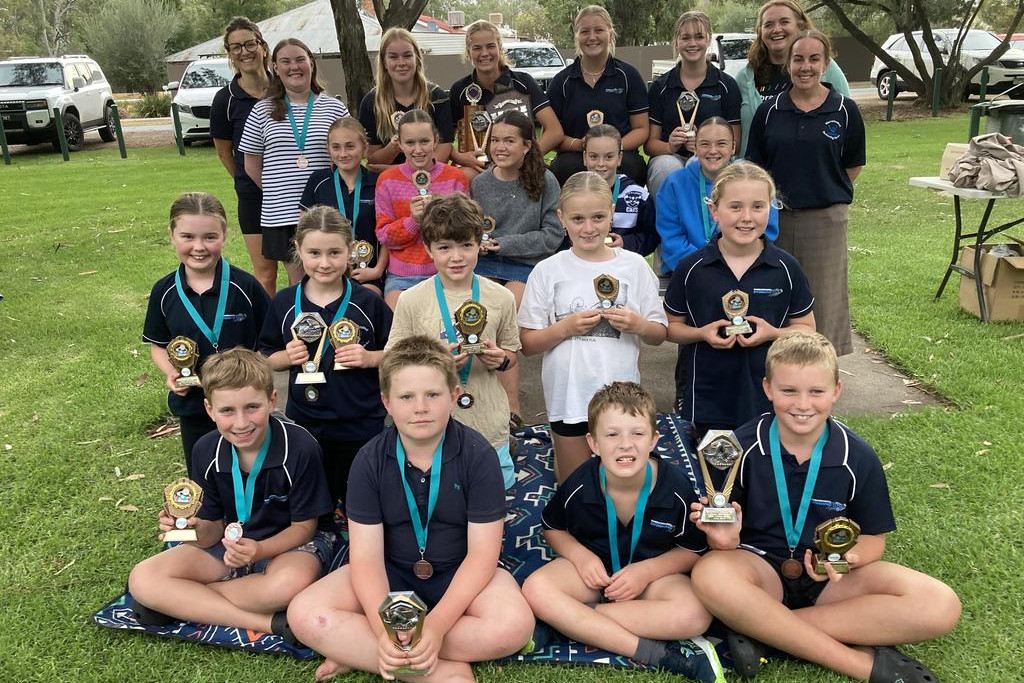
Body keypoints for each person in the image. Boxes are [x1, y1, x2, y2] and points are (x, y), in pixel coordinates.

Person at [690, 331, 961, 682]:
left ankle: (764, 632)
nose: (803, 404)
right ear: (768, 388)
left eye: (816, 392)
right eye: (789, 391)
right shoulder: (736, 448)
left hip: (830, 580)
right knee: (710, 574)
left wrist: (847, 559)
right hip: (759, 573)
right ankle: (862, 665)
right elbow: (721, 523)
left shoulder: (857, 457)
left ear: (836, 390)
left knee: (940, 604)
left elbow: (874, 540)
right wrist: (724, 541)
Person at [286, 336, 535, 682]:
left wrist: (437, 626)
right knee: (305, 614)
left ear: (453, 395)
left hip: (459, 572)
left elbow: (482, 556)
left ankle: (360, 650)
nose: (420, 408)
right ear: (386, 402)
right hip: (392, 572)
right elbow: (366, 559)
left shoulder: (479, 456)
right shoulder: (368, 460)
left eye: (432, 395)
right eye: (406, 397)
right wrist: (383, 630)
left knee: (514, 626)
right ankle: (438, 669)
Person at [522, 382, 724, 683]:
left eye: (637, 433)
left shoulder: (676, 488)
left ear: (654, 440)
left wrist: (646, 571)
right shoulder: (580, 483)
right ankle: (655, 654)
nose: (625, 444)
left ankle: (566, 622)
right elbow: (552, 528)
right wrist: (580, 557)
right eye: (612, 434)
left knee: (694, 614)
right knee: (536, 589)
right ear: (593, 444)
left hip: (652, 579)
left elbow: (693, 549)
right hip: (593, 575)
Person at [128, 348, 336, 641]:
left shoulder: (301, 447)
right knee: (143, 578)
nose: (241, 423)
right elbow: (213, 529)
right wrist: (191, 528)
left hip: (289, 545)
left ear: (272, 400)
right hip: (229, 544)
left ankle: (185, 600)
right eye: (227, 411)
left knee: (288, 586)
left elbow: (304, 528)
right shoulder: (205, 450)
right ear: (209, 409)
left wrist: (259, 550)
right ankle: (268, 623)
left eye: (252, 407)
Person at [519, 171, 667, 484]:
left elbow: (658, 334)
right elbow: (528, 344)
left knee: (620, 482)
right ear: (561, 218)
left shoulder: (634, 266)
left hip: (622, 398)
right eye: (578, 219)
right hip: (569, 396)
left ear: (612, 213)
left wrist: (638, 324)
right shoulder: (547, 270)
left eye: (598, 217)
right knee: (574, 486)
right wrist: (565, 328)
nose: (588, 228)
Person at [664, 162, 814, 437]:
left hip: (768, 394)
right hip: (706, 394)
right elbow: (672, 328)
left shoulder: (786, 268)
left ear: (770, 209)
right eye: (735, 207)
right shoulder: (691, 268)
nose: (746, 217)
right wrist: (701, 333)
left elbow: (807, 328)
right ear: (714, 210)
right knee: (710, 463)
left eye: (758, 207)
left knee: (762, 461)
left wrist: (773, 333)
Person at [386, 194, 521, 489]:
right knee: (440, 500)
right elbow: (393, 361)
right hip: (433, 425)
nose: (456, 257)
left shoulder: (502, 297)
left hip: (488, 422)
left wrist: (501, 359)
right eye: (445, 247)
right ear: (428, 249)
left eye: (466, 245)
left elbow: (511, 353)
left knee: (492, 499)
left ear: (479, 244)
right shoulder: (411, 300)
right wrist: (435, 363)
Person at [260, 205, 392, 507]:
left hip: (360, 421)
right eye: (314, 253)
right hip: (306, 421)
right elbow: (266, 356)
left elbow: (397, 352)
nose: (324, 263)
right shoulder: (284, 303)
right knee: (315, 499)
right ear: (298, 249)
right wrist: (286, 357)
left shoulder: (367, 302)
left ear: (350, 249)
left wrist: (370, 358)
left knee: (360, 499)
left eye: (334, 253)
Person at [745, 29, 864, 356]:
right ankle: (774, 363)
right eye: (798, 59)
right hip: (776, 219)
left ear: (825, 64)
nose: (805, 67)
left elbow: (852, 166)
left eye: (814, 59)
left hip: (825, 219)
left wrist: (820, 188)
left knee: (823, 297)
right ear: (788, 64)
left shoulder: (845, 110)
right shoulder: (769, 111)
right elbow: (756, 168)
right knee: (772, 291)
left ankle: (822, 367)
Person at [143, 192, 269, 474]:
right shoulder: (164, 292)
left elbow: (269, 341)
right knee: (204, 473)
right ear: (172, 235)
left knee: (252, 471)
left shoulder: (245, 287)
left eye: (210, 237)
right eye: (187, 237)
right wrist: (171, 372)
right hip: (193, 405)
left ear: (224, 235)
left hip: (243, 408)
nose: (199, 247)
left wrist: (257, 377)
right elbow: (159, 345)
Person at [471, 110, 562, 425]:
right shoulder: (480, 183)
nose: (500, 147)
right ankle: (476, 403)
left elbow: (552, 235)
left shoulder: (545, 181)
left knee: (504, 310)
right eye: (495, 140)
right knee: (474, 315)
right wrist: (477, 243)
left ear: (527, 145)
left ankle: (511, 410)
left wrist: (506, 244)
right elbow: (472, 229)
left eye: (509, 141)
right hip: (484, 263)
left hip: (524, 265)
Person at [240, 38, 349, 289]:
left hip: (324, 212)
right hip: (282, 214)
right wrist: (277, 191)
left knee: (331, 278)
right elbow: (251, 165)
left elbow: (348, 155)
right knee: (300, 283)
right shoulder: (261, 111)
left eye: (300, 59)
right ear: (275, 68)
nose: (294, 67)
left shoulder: (334, 108)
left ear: (311, 63)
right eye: (285, 62)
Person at [656, 117, 779, 277]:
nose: (713, 150)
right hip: (689, 271)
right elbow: (672, 237)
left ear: (733, 147)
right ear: (695, 148)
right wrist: (705, 267)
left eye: (721, 144)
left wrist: (731, 266)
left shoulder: (754, 181)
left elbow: (766, 232)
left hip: (743, 271)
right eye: (705, 144)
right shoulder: (674, 184)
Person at [375, 109, 469, 309]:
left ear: (436, 141)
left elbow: (465, 232)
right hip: (402, 277)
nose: (418, 149)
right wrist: (413, 221)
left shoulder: (455, 178)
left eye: (424, 141)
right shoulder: (387, 180)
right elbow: (384, 236)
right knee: (399, 322)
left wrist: (440, 214)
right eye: (410, 143)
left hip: (447, 272)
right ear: (400, 144)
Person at [448, 20, 564, 179]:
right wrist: (460, 157)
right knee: (460, 177)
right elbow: (444, 142)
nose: (484, 53)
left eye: (490, 46)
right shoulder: (459, 90)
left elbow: (555, 131)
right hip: (481, 170)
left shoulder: (523, 82)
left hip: (522, 168)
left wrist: (527, 158)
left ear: (500, 48)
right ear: (468, 52)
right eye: (477, 48)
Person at [547, 5, 649, 185]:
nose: (592, 37)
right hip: (576, 157)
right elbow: (554, 136)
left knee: (633, 166)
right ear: (577, 36)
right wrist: (580, 145)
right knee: (562, 168)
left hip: (620, 156)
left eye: (599, 30)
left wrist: (612, 149)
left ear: (610, 33)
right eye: (585, 31)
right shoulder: (561, 82)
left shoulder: (628, 76)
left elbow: (641, 129)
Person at [645, 11, 742, 198]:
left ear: (708, 40)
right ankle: (667, 218)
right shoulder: (660, 87)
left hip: (711, 156)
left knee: (696, 165)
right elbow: (650, 145)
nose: (692, 43)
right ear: (676, 42)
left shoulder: (726, 85)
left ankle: (707, 217)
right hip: (670, 157)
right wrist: (669, 147)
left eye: (699, 37)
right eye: (685, 38)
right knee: (666, 167)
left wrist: (705, 145)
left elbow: (735, 143)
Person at [210, 17, 275, 294]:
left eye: (249, 44)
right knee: (265, 275)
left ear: (263, 47)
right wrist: (247, 180)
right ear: (230, 54)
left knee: (303, 268)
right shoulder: (225, 99)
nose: (244, 52)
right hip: (253, 198)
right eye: (235, 47)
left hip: (293, 192)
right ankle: (268, 324)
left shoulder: (285, 88)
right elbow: (224, 152)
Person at [736, 0, 850, 147]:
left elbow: (846, 121)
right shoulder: (745, 78)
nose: (776, 29)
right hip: (755, 162)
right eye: (768, 24)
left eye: (784, 22)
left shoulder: (826, 69)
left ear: (800, 26)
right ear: (760, 31)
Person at [300, 118, 386, 295]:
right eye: (336, 147)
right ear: (329, 149)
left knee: (368, 297)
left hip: (367, 272)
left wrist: (377, 270)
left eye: (350, 146)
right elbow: (304, 230)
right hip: (327, 269)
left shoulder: (378, 183)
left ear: (364, 148)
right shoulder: (318, 181)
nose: (343, 153)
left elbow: (389, 233)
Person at [358, 28, 453, 173]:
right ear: (384, 62)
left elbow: (443, 150)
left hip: (430, 177)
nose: (401, 63)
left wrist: (400, 170)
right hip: (388, 181)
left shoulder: (437, 97)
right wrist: (394, 147)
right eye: (393, 57)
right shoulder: (371, 102)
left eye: (407, 55)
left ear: (417, 58)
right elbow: (373, 159)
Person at [583, 124, 658, 257]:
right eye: (594, 156)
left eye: (609, 157)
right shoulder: (575, 194)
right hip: (584, 263)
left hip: (624, 265)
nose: (601, 163)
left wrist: (626, 243)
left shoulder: (638, 196)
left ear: (619, 158)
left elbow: (652, 236)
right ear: (585, 158)